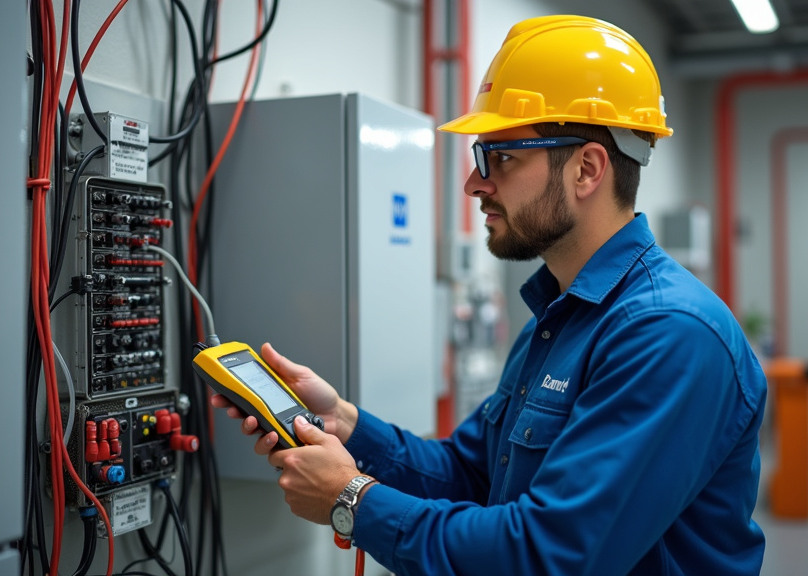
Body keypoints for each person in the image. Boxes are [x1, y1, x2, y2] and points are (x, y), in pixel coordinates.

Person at [213, 14, 766, 576]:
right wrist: (343, 424)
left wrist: (351, 500)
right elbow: (471, 474)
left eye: (501, 157)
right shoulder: (557, 319)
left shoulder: (668, 333)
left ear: (586, 169)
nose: (474, 184)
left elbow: (548, 556)